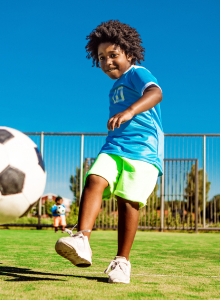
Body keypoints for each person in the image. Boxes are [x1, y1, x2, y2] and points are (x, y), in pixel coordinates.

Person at [55, 20, 164, 284]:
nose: (107, 62)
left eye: (113, 55)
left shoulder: (137, 73)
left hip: (144, 152)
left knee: (128, 202)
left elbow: (156, 92)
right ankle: (82, 239)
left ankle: (121, 262)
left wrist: (129, 111)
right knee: (94, 179)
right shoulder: (113, 88)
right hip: (115, 147)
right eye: (101, 57)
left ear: (129, 54)